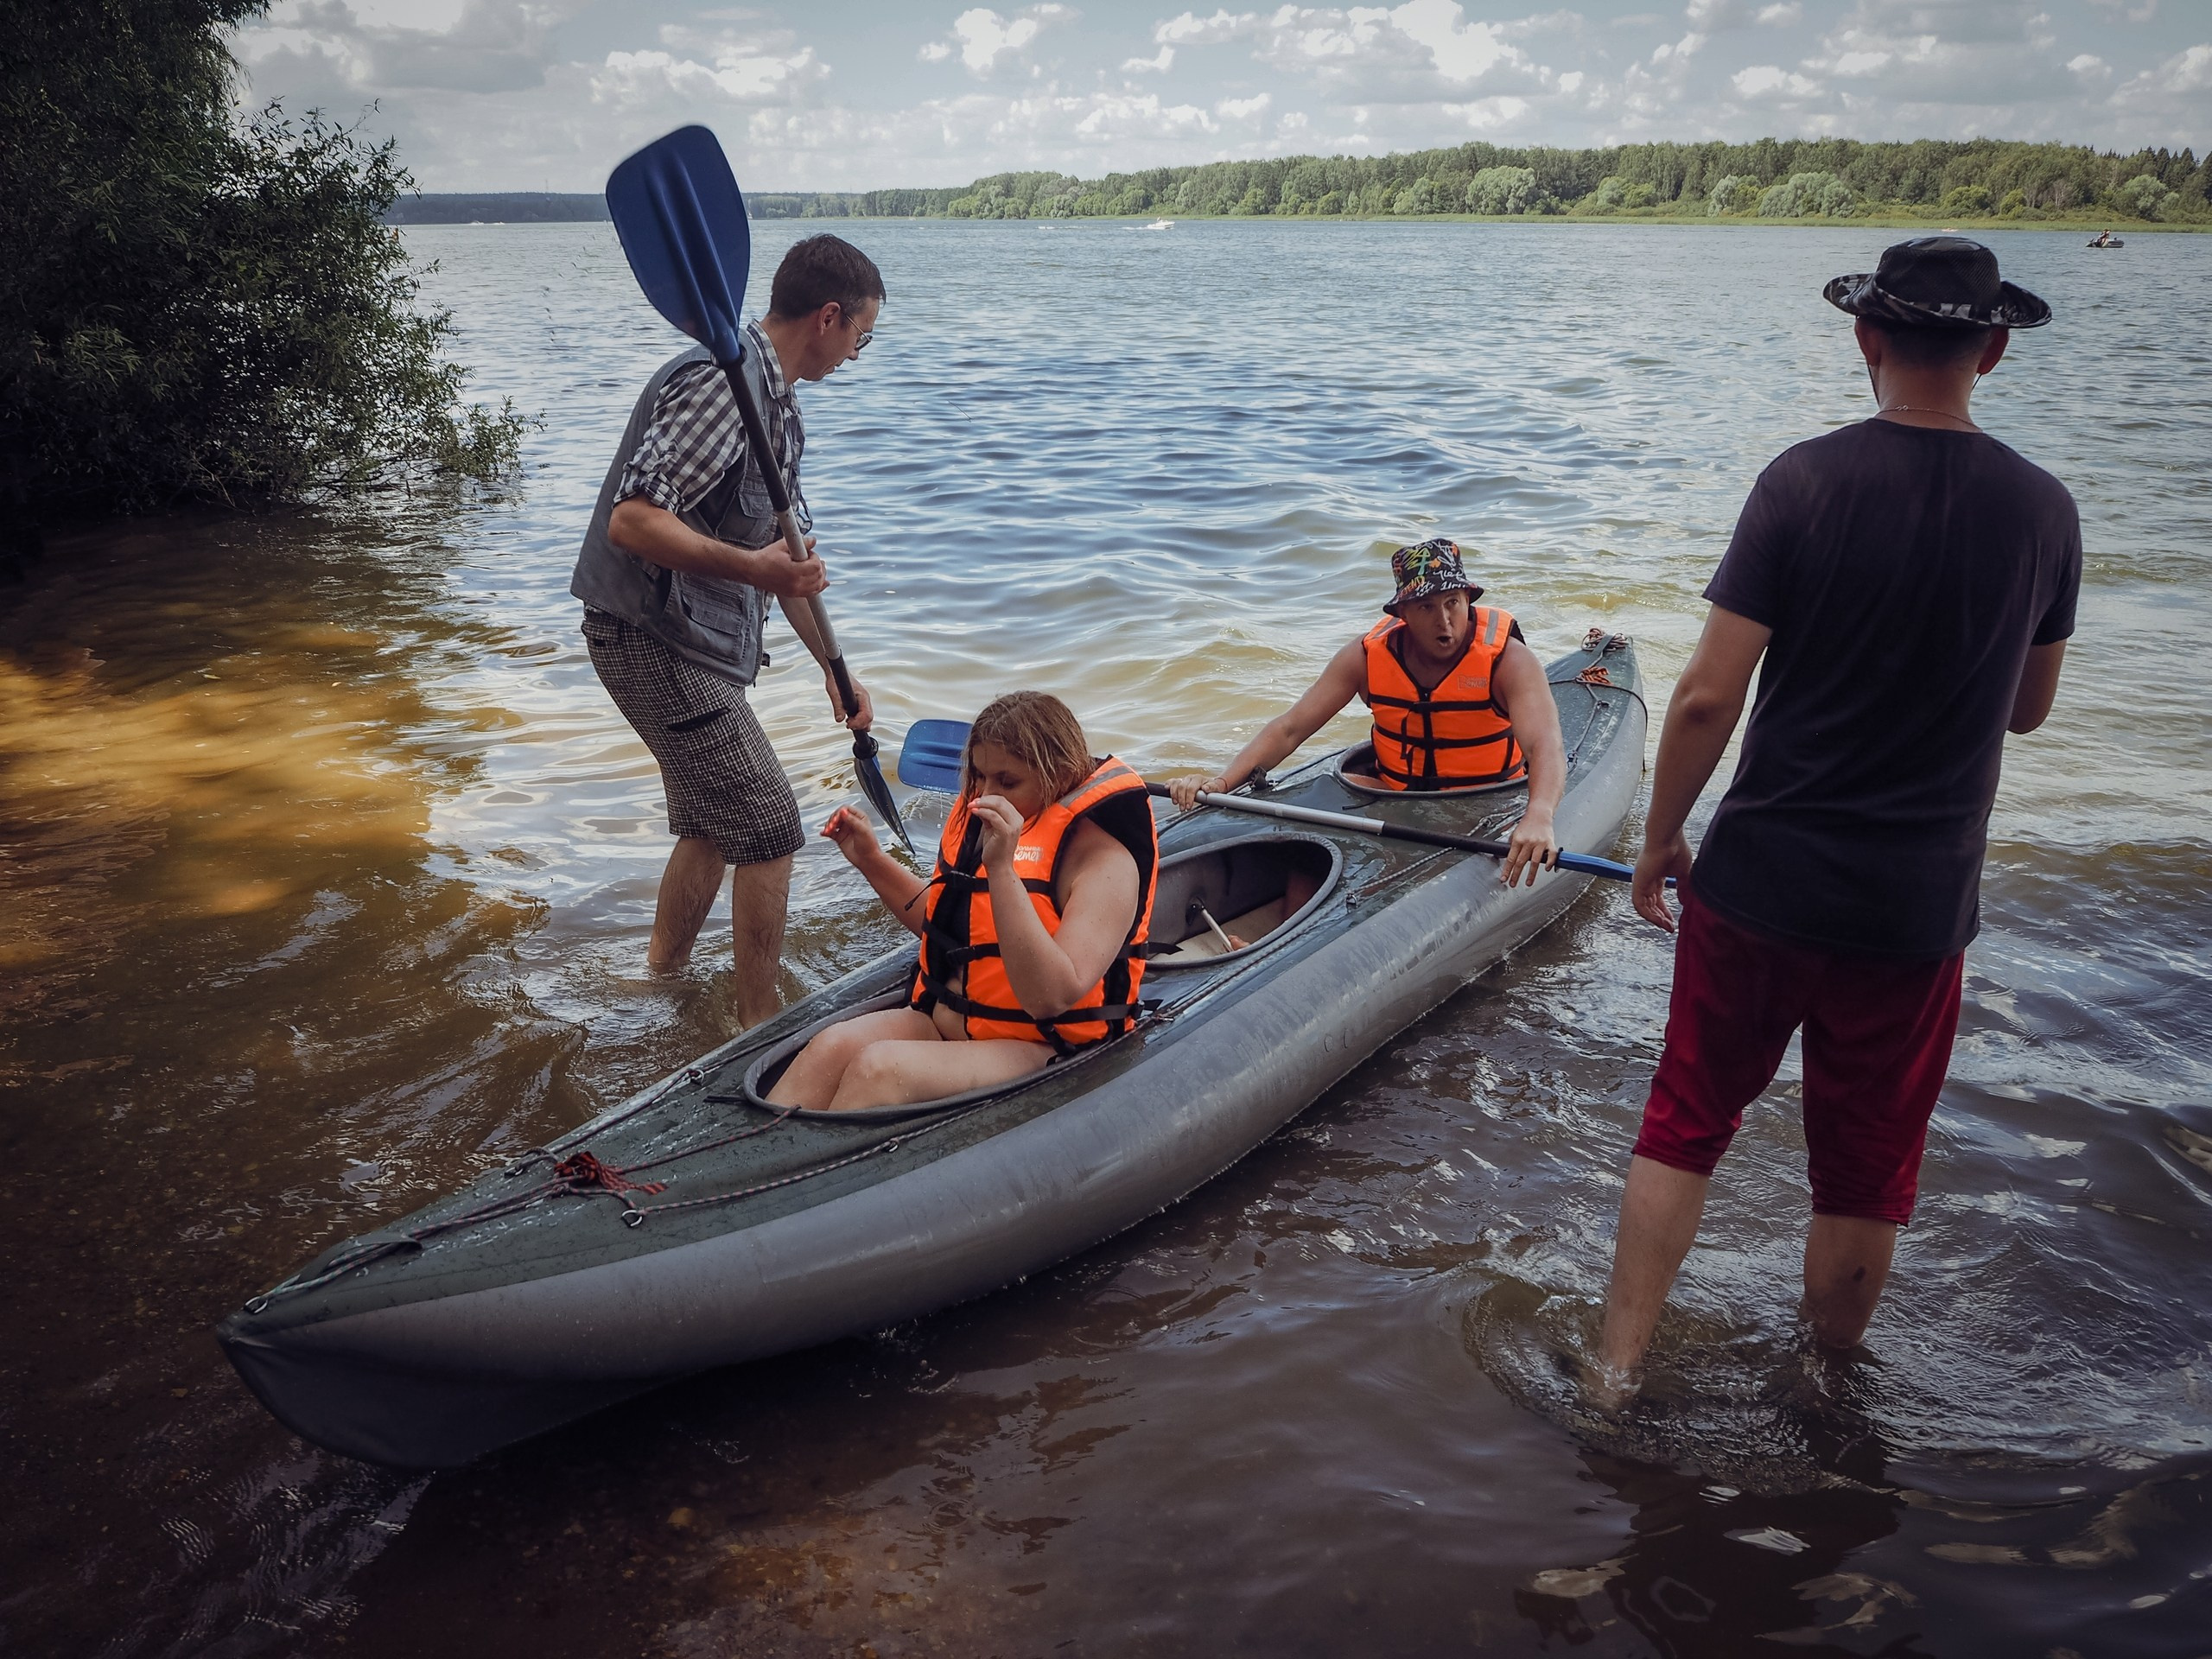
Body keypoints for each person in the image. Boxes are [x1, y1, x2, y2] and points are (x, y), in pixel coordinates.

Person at [1592, 237, 2078, 1398]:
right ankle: (1825, 1383)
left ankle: (1613, 1374)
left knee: (1688, 1118)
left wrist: (1659, 841)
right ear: (1994, 351)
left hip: (1762, 881)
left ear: (1867, 337)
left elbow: (1709, 695)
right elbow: (2030, 712)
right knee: (1866, 1170)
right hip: (1914, 908)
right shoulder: (2043, 511)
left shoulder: (1800, 484)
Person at [569, 235, 883, 1027]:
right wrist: (757, 572)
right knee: (772, 824)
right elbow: (633, 522)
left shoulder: (777, 409)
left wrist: (835, 671)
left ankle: (660, 986)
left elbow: (793, 564)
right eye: (861, 337)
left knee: (714, 823)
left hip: (693, 645)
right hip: (647, 637)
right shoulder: (722, 385)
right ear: (829, 316)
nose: (857, 355)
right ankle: (758, 1029)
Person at [768, 692, 1160, 1112]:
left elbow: (1052, 997)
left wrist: (1003, 871)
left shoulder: (1104, 863)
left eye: (1007, 782)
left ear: (1059, 774)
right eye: (979, 777)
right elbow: (942, 925)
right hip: (944, 1022)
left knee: (878, 1068)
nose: (985, 795)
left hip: (1037, 1044)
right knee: (831, 1047)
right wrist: (870, 860)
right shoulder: (984, 825)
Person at [1166, 538, 1565, 887]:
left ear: (1467, 600)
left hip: (1486, 799)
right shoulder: (1365, 657)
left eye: (1453, 603)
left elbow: (1544, 744)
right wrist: (1221, 784)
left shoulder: (1509, 661)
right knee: (1309, 820)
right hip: (1395, 795)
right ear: (1403, 613)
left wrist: (1539, 815)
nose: (1445, 621)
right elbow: (1290, 729)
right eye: (1427, 607)